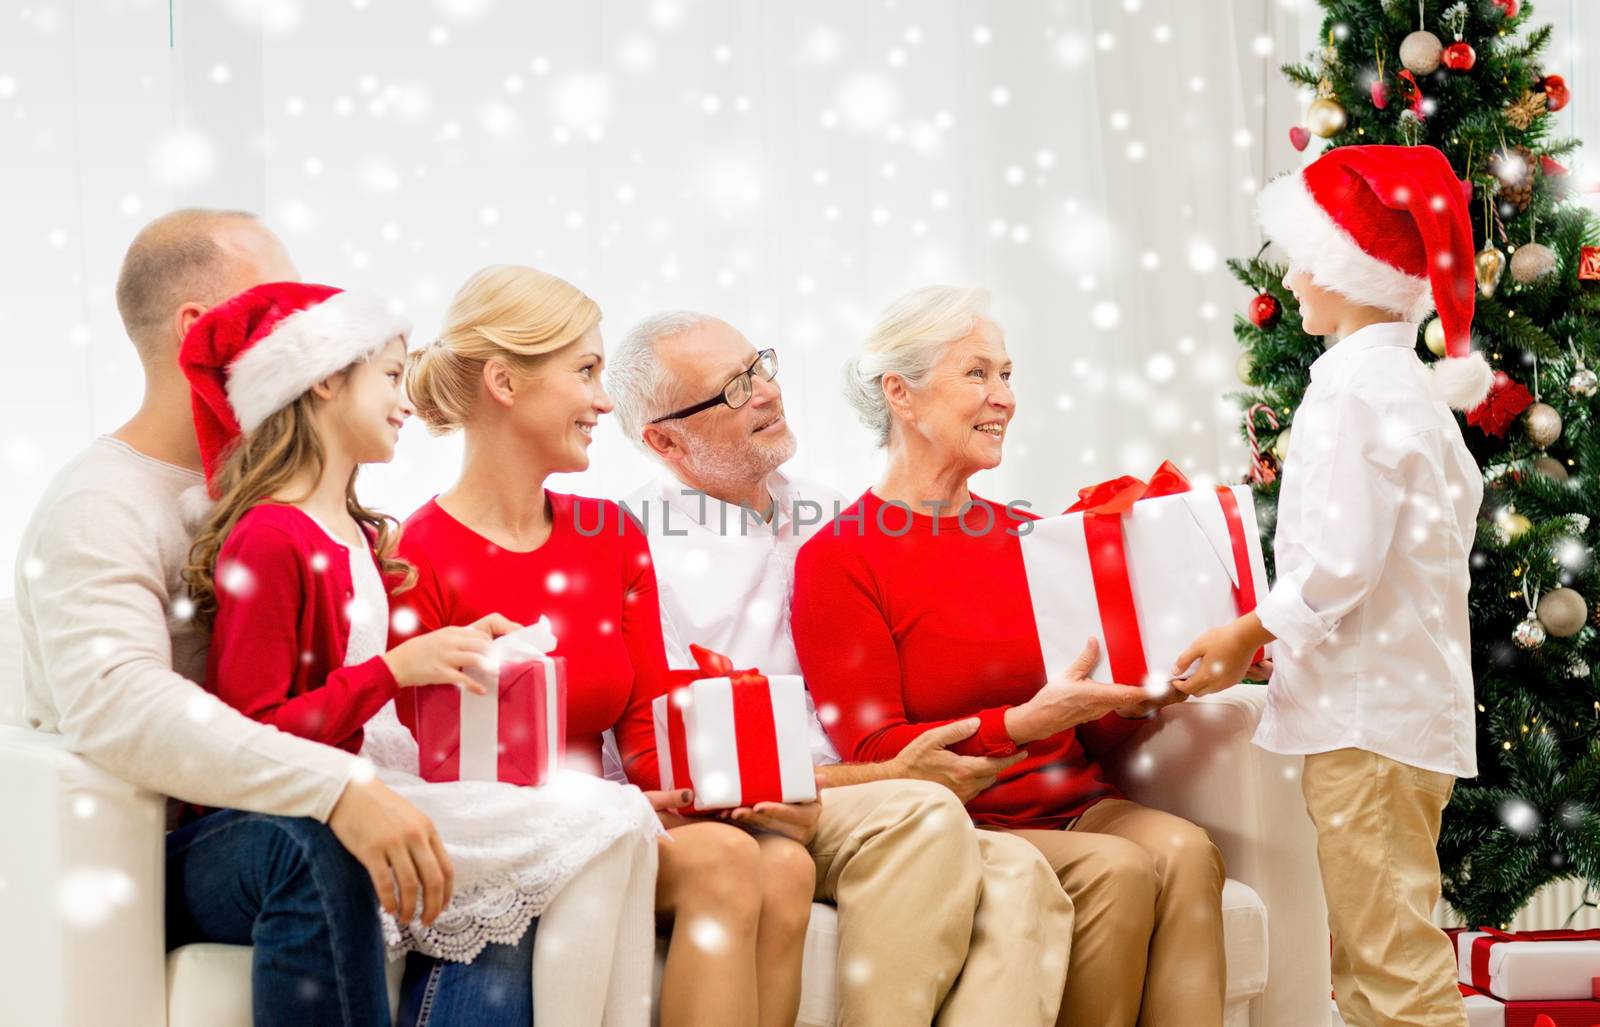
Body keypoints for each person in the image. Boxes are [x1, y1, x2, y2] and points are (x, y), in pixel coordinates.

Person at [177, 280, 661, 1027]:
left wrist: (454, 657)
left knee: (615, 819)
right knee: (597, 822)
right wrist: (397, 669)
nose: (409, 401)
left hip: (367, 776)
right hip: (295, 802)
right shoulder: (273, 538)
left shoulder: (360, 536)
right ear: (327, 380)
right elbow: (252, 734)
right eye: (391, 377)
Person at [14, 209, 437, 1024]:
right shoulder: (100, 505)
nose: (311, 324)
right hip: (161, 853)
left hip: (262, 815)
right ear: (199, 329)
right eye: (281, 303)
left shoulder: (277, 498)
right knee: (308, 843)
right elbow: (120, 707)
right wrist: (337, 786)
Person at [604, 309, 1074, 1026]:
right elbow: (683, 762)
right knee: (921, 810)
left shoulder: (838, 516)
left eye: (759, 367)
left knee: (1020, 878)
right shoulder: (636, 548)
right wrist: (887, 774)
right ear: (664, 440)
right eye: (733, 390)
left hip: (839, 794)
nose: (765, 392)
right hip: (759, 806)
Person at [791, 284, 1228, 1027]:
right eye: (978, 374)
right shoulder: (840, 556)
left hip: (1076, 803)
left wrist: (1148, 689)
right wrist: (1022, 723)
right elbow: (879, 750)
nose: (1005, 398)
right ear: (901, 393)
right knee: (1121, 870)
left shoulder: (1032, 534)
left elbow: (1086, 723)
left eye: (1007, 374)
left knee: (1189, 851)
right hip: (971, 827)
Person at [392, 264, 816, 1027]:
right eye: (585, 371)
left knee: (783, 862)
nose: (603, 399)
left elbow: (650, 718)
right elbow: (445, 778)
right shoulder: (417, 555)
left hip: (616, 820)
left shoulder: (608, 533)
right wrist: (614, 809)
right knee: (723, 862)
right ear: (504, 383)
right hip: (507, 839)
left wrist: (723, 794)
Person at [1173, 144, 1487, 1027]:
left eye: (1309, 259)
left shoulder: (1355, 393)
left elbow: (1343, 560)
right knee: (1379, 945)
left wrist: (1249, 631)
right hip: (1400, 713)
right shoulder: (1407, 390)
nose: (1295, 278)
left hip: (1369, 719)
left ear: (1352, 275)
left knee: (1389, 962)